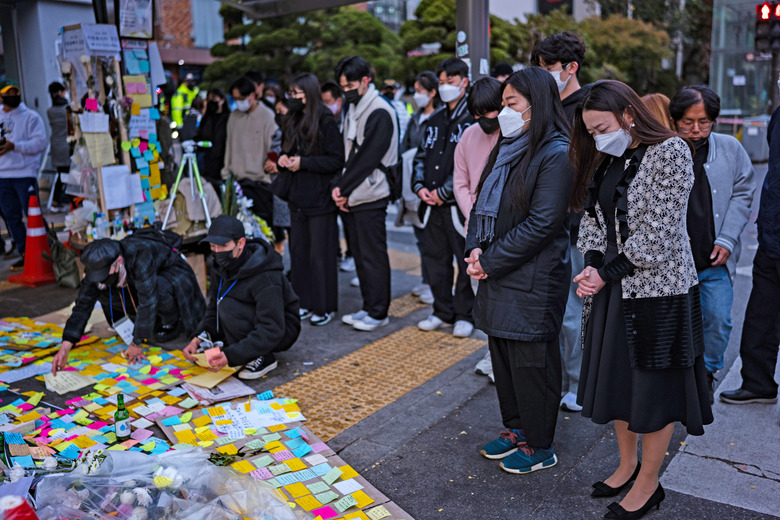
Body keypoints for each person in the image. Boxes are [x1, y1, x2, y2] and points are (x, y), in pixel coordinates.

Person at [570, 80, 712, 519]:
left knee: (653, 392)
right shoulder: (606, 154)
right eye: (590, 131)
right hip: (614, 287)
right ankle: (627, 464)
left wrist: (603, 273)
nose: (596, 137)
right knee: (617, 385)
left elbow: (658, 236)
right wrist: (593, 264)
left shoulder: (670, 151)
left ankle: (649, 483)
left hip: (658, 294)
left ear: (629, 114)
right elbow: (592, 219)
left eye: (601, 127)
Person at [465, 67, 573, 474]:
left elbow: (543, 223)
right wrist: (475, 246)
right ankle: (516, 428)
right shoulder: (509, 145)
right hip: (498, 271)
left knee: (532, 365)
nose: (503, 113)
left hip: (532, 277)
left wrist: (489, 261)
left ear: (537, 104)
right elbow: (481, 201)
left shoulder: (556, 152)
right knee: (504, 358)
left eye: (511, 104)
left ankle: (541, 443)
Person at [669, 85, 755, 403]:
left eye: (704, 121)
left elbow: (745, 189)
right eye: (688, 122)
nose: (696, 129)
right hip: (673, 261)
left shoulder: (729, 148)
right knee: (672, 322)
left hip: (713, 258)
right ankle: (675, 378)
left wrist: (729, 238)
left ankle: (707, 373)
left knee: (718, 319)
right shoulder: (663, 148)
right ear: (674, 119)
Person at [532, 30, 590, 412]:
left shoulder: (590, 107)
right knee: (559, 309)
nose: (545, 76)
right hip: (550, 222)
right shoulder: (548, 105)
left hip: (579, 225)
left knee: (575, 311)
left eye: (550, 69)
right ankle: (567, 380)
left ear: (572, 68)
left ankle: (578, 383)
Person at [52, 234, 205, 373]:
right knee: (103, 289)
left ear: (118, 261)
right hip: (136, 279)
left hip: (168, 273)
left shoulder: (139, 254)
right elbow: (83, 304)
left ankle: (170, 322)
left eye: (103, 273)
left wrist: (137, 343)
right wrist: (66, 345)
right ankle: (143, 324)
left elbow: (148, 299)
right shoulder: (99, 265)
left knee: (159, 290)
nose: (99, 277)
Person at [183, 216, 301, 379]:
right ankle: (242, 348)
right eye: (212, 246)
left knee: (228, 305)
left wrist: (231, 356)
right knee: (223, 303)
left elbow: (272, 328)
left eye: (223, 245)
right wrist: (198, 338)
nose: (217, 252)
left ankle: (263, 357)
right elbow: (213, 308)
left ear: (241, 243)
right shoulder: (223, 265)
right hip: (254, 319)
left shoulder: (265, 275)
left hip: (281, 329)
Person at [719, 104, 780, 406]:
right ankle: (758, 383)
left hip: (773, 228)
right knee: (761, 316)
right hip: (772, 232)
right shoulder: (779, 116)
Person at [332, 56, 398, 331]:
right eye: (342, 86)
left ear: (365, 81)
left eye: (349, 85)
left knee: (372, 255)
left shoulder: (379, 110)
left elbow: (368, 158)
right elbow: (348, 154)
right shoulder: (355, 104)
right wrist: (342, 189)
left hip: (372, 192)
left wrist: (341, 189)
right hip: (355, 192)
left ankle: (378, 312)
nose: (345, 90)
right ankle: (368, 307)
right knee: (359, 253)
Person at [412, 57, 475, 338]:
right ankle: (441, 310)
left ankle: (465, 314)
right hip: (430, 205)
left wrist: (444, 192)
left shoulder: (472, 120)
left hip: (457, 206)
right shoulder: (434, 119)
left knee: (464, 261)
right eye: (442, 82)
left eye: (451, 81)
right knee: (433, 259)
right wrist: (419, 187)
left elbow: (471, 164)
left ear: (464, 81)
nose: (446, 87)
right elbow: (420, 156)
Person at [280, 73, 345, 326]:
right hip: (297, 198)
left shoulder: (325, 120)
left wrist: (303, 163)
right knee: (299, 254)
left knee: (321, 256)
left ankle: (324, 306)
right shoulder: (292, 118)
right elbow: (288, 150)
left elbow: (336, 160)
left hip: (320, 199)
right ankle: (303, 302)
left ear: (310, 93)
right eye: (291, 93)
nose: (292, 98)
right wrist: (285, 160)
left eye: (297, 93)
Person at [453, 76, 501, 382]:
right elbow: (460, 181)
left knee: (502, 297)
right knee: (480, 295)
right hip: (474, 229)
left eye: (490, 112)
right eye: (477, 114)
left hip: (504, 229)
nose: (484, 120)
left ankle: (502, 359)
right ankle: (490, 354)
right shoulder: (468, 135)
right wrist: (474, 211)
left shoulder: (513, 134)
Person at [222, 76, 279, 245]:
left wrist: (272, 165)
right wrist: (226, 173)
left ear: (252, 96)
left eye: (241, 98)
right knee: (241, 235)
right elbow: (229, 146)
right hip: (237, 183)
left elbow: (273, 147)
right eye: (235, 99)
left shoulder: (268, 116)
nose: (238, 102)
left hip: (260, 183)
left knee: (263, 233)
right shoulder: (233, 116)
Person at [399, 71, 441, 306]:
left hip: (432, 184)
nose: (417, 95)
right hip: (413, 183)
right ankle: (426, 280)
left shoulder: (440, 117)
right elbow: (406, 146)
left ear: (432, 92)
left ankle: (433, 283)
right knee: (419, 236)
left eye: (420, 90)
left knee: (432, 238)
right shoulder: (414, 117)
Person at [0, 79, 47, 270]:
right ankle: (25, 253)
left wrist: (14, 146)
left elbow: (40, 143)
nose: (12, 97)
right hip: (2, 175)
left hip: (24, 173)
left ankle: (46, 251)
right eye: (8, 94)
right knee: (11, 217)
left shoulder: (31, 117)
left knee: (33, 214)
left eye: (15, 93)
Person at [195, 88, 230, 192]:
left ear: (222, 100)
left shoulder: (228, 118)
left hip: (223, 160)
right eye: (209, 99)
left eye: (214, 99)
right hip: (207, 161)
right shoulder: (206, 118)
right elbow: (199, 135)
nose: (212, 102)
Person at [46, 81, 72, 212]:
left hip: (56, 145)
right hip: (67, 145)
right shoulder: (67, 109)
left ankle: (56, 201)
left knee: (61, 174)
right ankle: (72, 200)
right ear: (61, 92)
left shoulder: (50, 110)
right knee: (71, 174)